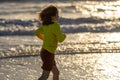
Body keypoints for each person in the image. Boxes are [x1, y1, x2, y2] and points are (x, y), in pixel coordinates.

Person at [35, 5, 66, 80]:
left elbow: (37, 32)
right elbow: (60, 39)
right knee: (45, 76)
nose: (58, 16)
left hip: (45, 52)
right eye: (57, 14)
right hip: (48, 53)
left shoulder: (45, 25)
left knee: (56, 73)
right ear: (52, 16)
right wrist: (64, 35)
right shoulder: (56, 26)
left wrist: (45, 39)